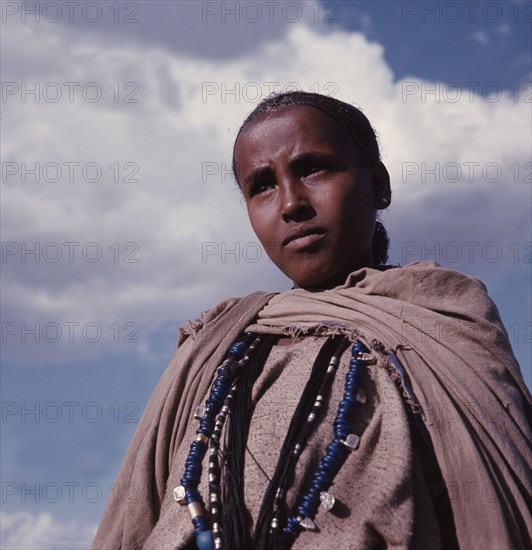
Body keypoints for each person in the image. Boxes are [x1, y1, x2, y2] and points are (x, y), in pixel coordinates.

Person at [93, 92, 531, 550]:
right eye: (262, 185)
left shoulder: (441, 317)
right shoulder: (215, 347)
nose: (291, 203)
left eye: (314, 168)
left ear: (378, 183)